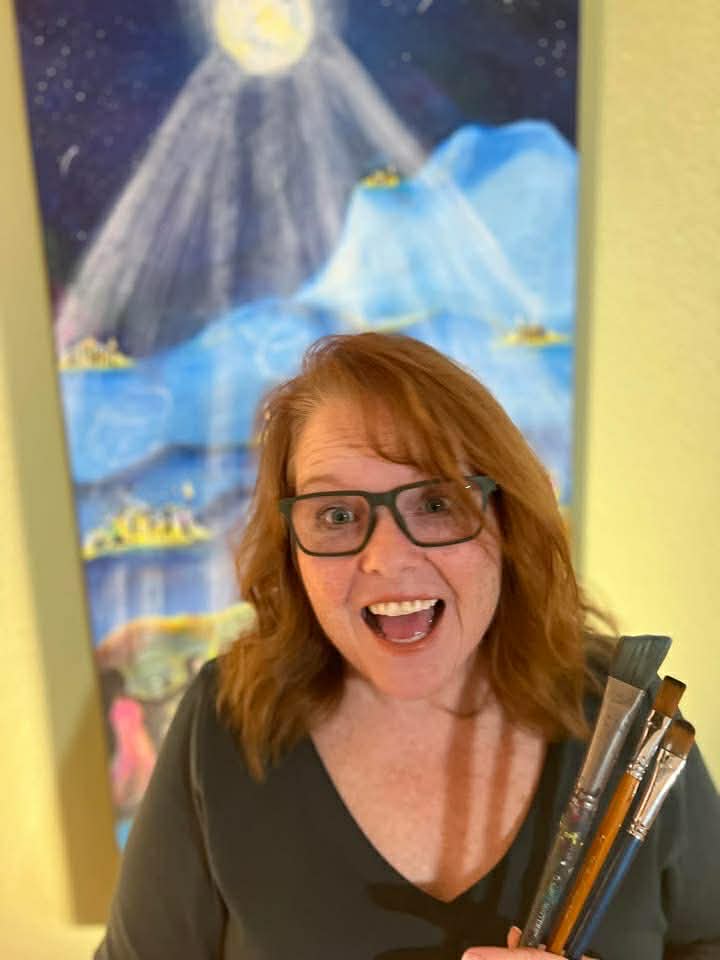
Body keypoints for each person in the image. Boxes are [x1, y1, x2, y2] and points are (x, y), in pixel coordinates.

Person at [95, 332, 720, 960]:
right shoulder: (225, 721)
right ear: (292, 546)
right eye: (336, 514)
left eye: (437, 502)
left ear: (508, 522)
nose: (388, 559)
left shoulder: (630, 718)